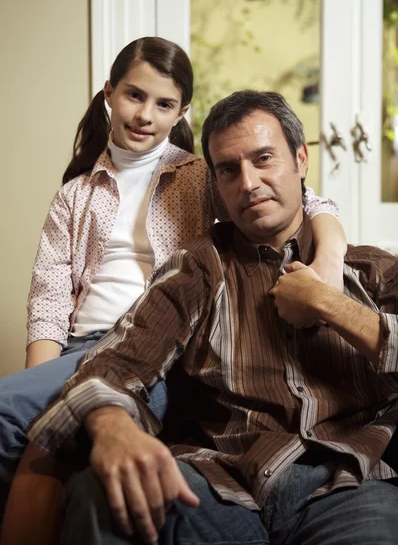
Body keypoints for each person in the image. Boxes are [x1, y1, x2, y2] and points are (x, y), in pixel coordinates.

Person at [27, 90, 398, 545]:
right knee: (101, 492)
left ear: (301, 159)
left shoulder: (372, 270)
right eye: (228, 169)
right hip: (220, 487)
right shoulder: (198, 269)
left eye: (264, 159)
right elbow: (115, 362)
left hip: (349, 486)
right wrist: (112, 426)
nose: (248, 182)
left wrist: (328, 302)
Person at [0, 39, 345, 518]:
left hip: (159, 346)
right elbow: (49, 303)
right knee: (24, 427)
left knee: (11, 415)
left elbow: (305, 201)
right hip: (84, 346)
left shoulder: (204, 175)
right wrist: (38, 382)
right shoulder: (75, 195)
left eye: (164, 104)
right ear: (108, 94)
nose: (145, 114)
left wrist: (330, 257)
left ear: (182, 111)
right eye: (133, 96)